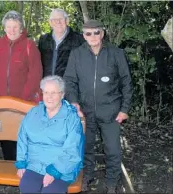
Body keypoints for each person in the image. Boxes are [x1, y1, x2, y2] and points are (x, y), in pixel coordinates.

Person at [63, 20, 133, 193]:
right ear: (83, 36)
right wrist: (74, 102)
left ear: (102, 34)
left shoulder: (116, 53)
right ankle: (87, 176)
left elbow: (126, 82)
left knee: (113, 150)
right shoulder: (77, 54)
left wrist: (124, 109)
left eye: (96, 32)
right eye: (88, 33)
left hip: (111, 111)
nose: (93, 36)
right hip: (84, 111)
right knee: (85, 147)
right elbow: (69, 80)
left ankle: (111, 182)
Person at [0, 10, 42, 161]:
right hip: (0, 102)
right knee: (6, 135)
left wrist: (23, 100)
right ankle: (9, 166)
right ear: (4, 28)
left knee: (23, 135)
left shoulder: (29, 46)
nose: (12, 30)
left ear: (21, 27)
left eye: (15, 26)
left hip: (22, 102)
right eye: (9, 26)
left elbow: (35, 75)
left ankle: (24, 168)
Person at [15, 75, 85, 194]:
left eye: (54, 93)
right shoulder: (33, 113)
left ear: (62, 94)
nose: (49, 97)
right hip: (35, 165)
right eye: (46, 92)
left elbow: (73, 150)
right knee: (27, 188)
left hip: (62, 168)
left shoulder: (71, 117)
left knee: (51, 191)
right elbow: (22, 138)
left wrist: (54, 171)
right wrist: (21, 162)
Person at [38, 8, 85, 77]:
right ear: (50, 23)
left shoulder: (79, 39)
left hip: (69, 84)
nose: (58, 22)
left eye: (61, 19)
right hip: (47, 84)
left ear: (67, 21)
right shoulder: (43, 40)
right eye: (54, 20)